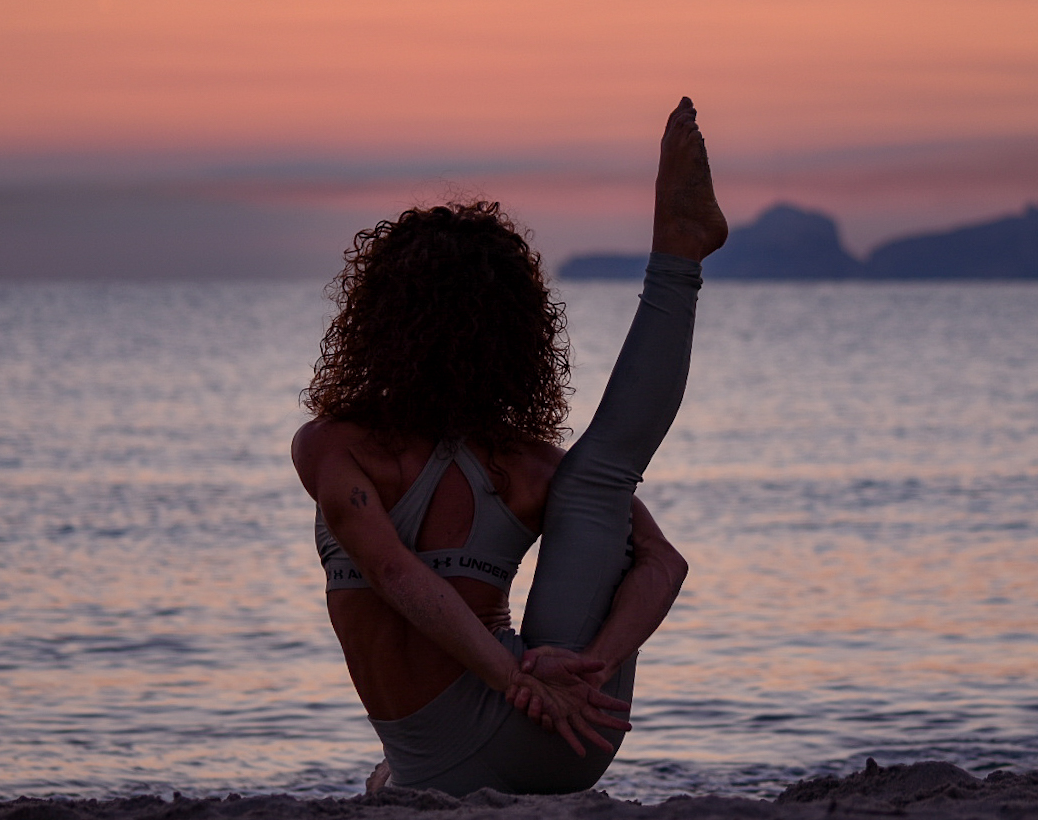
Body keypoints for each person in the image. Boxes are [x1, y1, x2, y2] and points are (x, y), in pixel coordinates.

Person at [293, 98, 727, 795]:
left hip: (533, 718)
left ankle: (678, 250)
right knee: (598, 478)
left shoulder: (335, 447)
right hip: (568, 733)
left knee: (594, 481)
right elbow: (663, 564)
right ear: (515, 336)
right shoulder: (531, 469)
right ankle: (676, 262)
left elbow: (396, 575)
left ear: (377, 321)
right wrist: (587, 667)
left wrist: (544, 683)